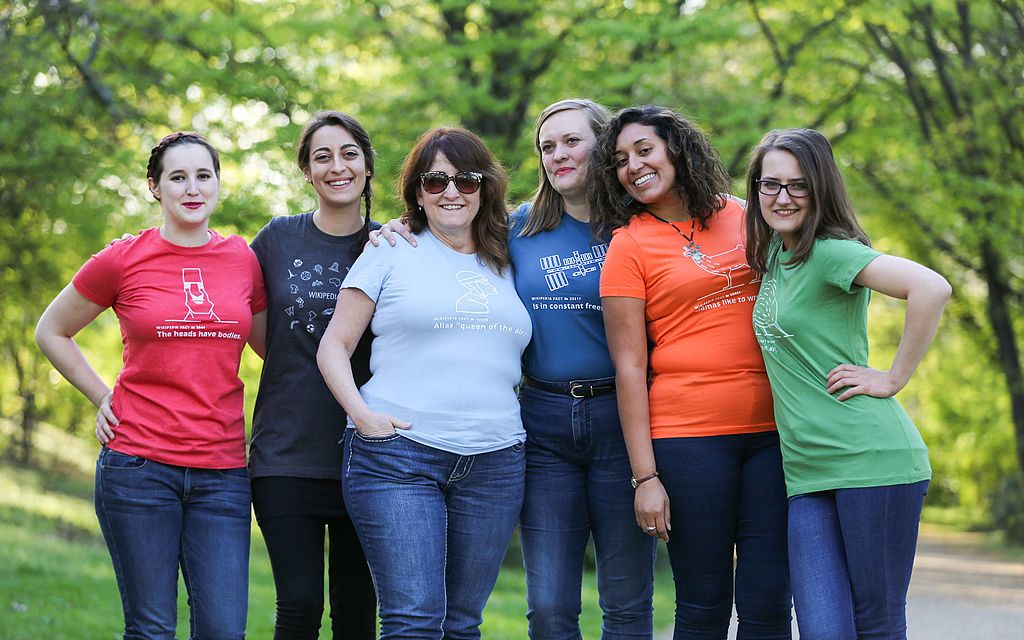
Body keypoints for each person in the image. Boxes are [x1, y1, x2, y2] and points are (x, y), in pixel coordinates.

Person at [370, 99, 659, 639]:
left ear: (606, 146)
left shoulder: (644, 228)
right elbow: (445, 232)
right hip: (543, 420)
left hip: (625, 419)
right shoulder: (516, 228)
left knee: (626, 602)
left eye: (573, 141)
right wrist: (397, 227)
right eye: (547, 146)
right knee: (549, 607)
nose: (557, 154)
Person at [35, 131, 266, 639]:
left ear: (218, 184)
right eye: (177, 177)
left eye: (203, 176)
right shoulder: (123, 258)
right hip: (138, 467)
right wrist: (102, 395)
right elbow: (52, 330)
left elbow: (275, 352)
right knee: (151, 629)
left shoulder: (241, 260)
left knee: (225, 631)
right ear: (154, 188)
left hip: (222, 473)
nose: (192, 188)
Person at [316, 126, 532, 639]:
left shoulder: (511, 257)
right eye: (435, 181)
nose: (452, 191)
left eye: (466, 179)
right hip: (399, 456)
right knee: (413, 623)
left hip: (496, 463)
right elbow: (334, 346)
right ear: (417, 191)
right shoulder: (391, 249)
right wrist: (362, 416)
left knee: (462, 625)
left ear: (486, 188)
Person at [592, 105, 792, 639]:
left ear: (676, 149)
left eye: (643, 150)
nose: (632, 166)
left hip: (776, 434)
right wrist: (646, 477)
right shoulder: (628, 245)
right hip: (690, 439)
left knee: (770, 602)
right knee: (703, 607)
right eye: (619, 160)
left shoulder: (750, 214)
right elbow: (629, 367)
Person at [744, 128, 950, 640]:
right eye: (770, 185)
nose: (783, 197)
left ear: (820, 189)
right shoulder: (775, 255)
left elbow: (931, 287)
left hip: (870, 461)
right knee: (823, 630)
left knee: (876, 626)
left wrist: (893, 377)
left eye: (799, 185)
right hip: (807, 473)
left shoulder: (832, 253)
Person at [248, 110, 378, 639]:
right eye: (321, 156)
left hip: (370, 456)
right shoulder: (277, 239)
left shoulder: (393, 244)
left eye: (349, 153)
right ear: (306, 170)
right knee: (298, 607)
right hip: (285, 454)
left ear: (368, 166)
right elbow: (257, 331)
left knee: (355, 614)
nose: (337, 166)